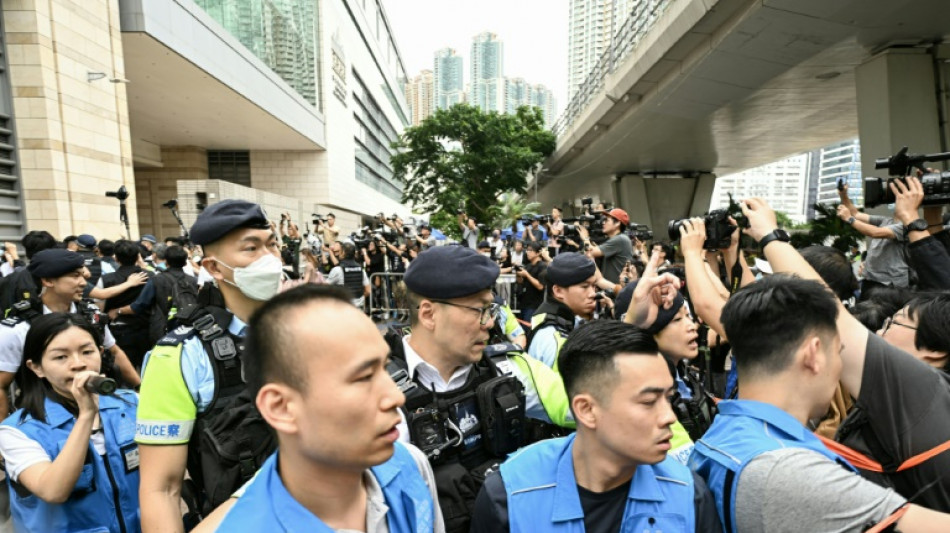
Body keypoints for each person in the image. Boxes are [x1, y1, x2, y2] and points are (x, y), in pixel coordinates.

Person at [689, 273, 950, 532]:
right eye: (839, 352)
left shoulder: (723, 431)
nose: (840, 371)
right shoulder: (792, 472)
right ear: (813, 354)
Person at [193, 285, 445, 532]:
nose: (395, 397)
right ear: (281, 408)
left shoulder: (410, 465)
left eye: (384, 368)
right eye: (363, 377)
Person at [471, 320, 721, 532]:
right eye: (648, 401)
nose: (669, 417)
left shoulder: (688, 493)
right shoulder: (510, 495)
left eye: (669, 398)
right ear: (586, 410)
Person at [391, 245, 575, 533]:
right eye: (479, 310)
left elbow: (587, 407)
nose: (490, 323)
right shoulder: (374, 389)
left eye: (491, 309)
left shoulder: (510, 368)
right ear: (428, 314)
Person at [136, 200, 281, 532]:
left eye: (272, 244)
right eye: (252, 249)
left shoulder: (314, 331)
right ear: (214, 268)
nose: (270, 259)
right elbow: (162, 489)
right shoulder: (178, 357)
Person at [0, 313, 141, 533]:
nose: (78, 364)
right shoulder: (17, 431)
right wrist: (86, 415)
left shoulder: (132, 404)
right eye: (60, 357)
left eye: (87, 351)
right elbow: (53, 490)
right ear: (36, 367)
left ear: (101, 353)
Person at [0, 249, 140, 416]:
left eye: (82, 275)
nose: (82, 283)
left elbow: (115, 351)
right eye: (74, 276)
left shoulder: (91, 315)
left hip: (101, 410)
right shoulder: (19, 328)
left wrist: (141, 389)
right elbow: (2, 385)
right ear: (47, 281)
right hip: (44, 419)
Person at [112, 245, 200, 348]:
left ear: (166, 261)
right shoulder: (193, 281)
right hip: (189, 329)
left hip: (163, 330)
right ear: (185, 262)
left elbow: (138, 306)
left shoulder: (157, 280)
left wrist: (118, 311)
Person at [837, 182, 910, 299]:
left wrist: (849, 219)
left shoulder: (906, 226)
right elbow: (856, 213)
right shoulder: (886, 221)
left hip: (889, 284)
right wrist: (843, 195)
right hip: (871, 279)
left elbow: (875, 232)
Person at [527, 252, 597, 369]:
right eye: (585, 287)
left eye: (594, 286)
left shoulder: (552, 318)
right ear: (558, 291)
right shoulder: (555, 341)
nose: (592, 294)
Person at [99, 240, 155, 370]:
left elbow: (100, 308)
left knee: (122, 369)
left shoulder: (106, 279)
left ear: (116, 258)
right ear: (137, 257)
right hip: (146, 329)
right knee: (146, 368)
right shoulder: (150, 276)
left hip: (118, 331)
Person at [578, 208, 634, 284]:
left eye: (607, 220)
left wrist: (585, 238)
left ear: (617, 223)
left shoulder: (620, 239)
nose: (603, 223)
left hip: (617, 288)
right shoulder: (619, 239)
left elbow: (590, 252)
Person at [327, 242, 371, 308]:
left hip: (343, 307)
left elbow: (324, 287)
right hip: (358, 308)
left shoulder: (337, 270)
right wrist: (359, 300)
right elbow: (368, 291)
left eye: (340, 251)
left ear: (343, 253)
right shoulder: (361, 270)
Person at [515, 241, 546, 323]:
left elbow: (540, 286)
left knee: (529, 329)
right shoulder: (528, 266)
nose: (527, 252)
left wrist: (527, 275)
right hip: (524, 302)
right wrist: (518, 275)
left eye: (530, 250)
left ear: (538, 253)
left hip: (534, 305)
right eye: (527, 250)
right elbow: (521, 282)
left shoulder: (542, 266)